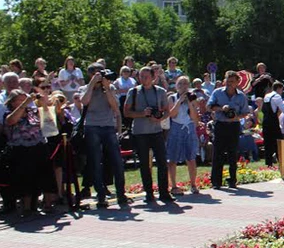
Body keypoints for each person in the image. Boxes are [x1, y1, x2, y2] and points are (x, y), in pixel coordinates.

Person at [78, 63, 131, 208]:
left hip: (108, 126)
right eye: (97, 73)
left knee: (117, 160)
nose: (101, 76)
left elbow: (115, 107)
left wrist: (106, 88)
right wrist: (92, 84)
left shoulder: (110, 87)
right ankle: (101, 196)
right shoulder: (85, 88)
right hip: (92, 127)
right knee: (95, 162)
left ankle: (121, 194)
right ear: (91, 74)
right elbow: (84, 101)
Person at [124, 67, 173, 204]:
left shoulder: (160, 91)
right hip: (140, 132)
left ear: (153, 77)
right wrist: (142, 114)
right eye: (141, 76)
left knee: (162, 162)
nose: (143, 79)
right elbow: (126, 112)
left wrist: (159, 118)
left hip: (156, 131)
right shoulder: (133, 92)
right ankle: (149, 193)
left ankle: (164, 192)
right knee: (144, 164)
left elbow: (167, 111)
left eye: (146, 76)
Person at [3, 89, 57, 214]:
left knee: (46, 174)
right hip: (21, 148)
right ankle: (26, 207)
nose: (24, 101)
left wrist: (43, 103)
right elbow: (11, 121)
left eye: (25, 99)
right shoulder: (8, 113)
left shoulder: (33, 112)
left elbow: (49, 123)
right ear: (13, 102)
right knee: (25, 177)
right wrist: (25, 103)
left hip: (39, 145)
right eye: (20, 100)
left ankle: (48, 204)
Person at [208, 71, 252, 189]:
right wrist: (222, 108)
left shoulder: (241, 96)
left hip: (233, 125)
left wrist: (236, 116)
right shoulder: (217, 93)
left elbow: (246, 113)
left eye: (232, 81)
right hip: (220, 125)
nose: (229, 83)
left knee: (233, 153)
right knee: (218, 153)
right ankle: (216, 181)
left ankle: (232, 180)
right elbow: (209, 106)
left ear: (237, 82)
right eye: (227, 81)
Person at [166, 76, 201, 195]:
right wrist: (179, 101)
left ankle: (193, 184)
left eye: (186, 84)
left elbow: (195, 118)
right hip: (176, 128)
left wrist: (190, 103)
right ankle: (174, 186)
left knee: (191, 158)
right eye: (180, 84)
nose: (183, 86)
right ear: (176, 86)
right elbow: (172, 114)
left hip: (189, 128)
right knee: (172, 158)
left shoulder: (193, 98)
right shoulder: (172, 98)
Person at [262, 81, 284, 166]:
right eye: (282, 90)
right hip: (273, 121)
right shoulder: (277, 96)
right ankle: (281, 162)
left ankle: (269, 164)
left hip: (265, 121)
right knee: (279, 141)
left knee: (268, 143)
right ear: (279, 88)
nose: (282, 92)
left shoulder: (267, 95)